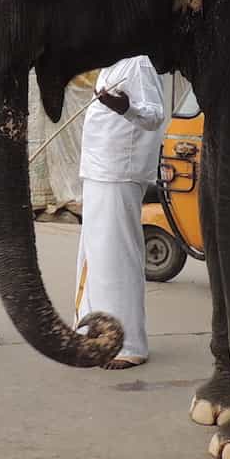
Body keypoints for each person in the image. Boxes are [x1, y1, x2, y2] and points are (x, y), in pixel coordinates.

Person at [74, 56, 167, 370]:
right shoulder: (109, 66)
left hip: (120, 171)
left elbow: (155, 115)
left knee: (118, 258)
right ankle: (97, 334)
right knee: (95, 256)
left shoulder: (138, 64)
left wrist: (124, 108)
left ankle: (128, 344)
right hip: (98, 170)